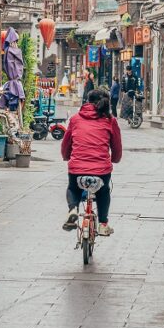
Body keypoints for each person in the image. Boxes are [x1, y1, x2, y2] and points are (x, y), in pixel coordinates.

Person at [61, 88, 122, 236]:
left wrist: (67, 156)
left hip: (77, 169)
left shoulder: (75, 119)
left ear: (87, 102)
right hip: (101, 170)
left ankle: (73, 209)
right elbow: (117, 147)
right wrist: (114, 159)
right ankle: (102, 224)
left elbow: (66, 144)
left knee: (73, 188)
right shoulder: (110, 121)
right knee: (103, 191)